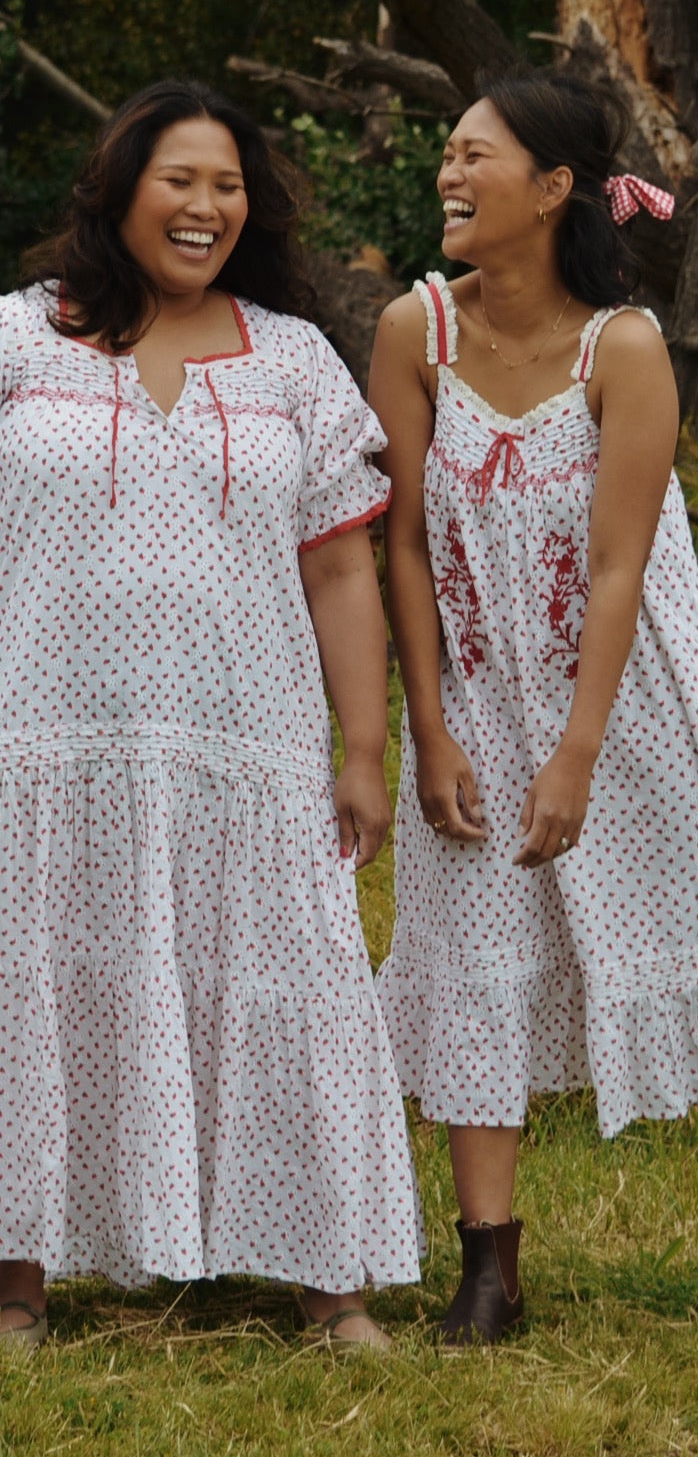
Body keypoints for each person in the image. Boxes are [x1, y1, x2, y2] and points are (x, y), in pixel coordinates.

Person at [369, 69, 698, 1346]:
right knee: (476, 958)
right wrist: (429, 730)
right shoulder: (412, 332)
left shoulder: (625, 345)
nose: (448, 175)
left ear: (550, 190)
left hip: (632, 707)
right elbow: (408, 546)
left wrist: (580, 753)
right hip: (474, 701)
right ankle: (490, 1268)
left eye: (473, 156)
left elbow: (618, 565)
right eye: (447, 153)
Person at [0, 80, 421, 1356]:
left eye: (228, 186)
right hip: (47, 748)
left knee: (288, 994)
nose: (206, 207)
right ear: (120, 189)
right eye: (181, 180)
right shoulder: (16, 340)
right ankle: (17, 1284)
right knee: (36, 996)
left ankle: (326, 1282)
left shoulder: (292, 357)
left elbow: (343, 566)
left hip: (252, 752)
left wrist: (365, 746)